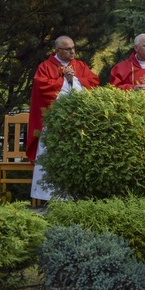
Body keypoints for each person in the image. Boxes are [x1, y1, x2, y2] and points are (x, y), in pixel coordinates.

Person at [27, 36, 100, 200]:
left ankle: (75, 196)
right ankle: (47, 197)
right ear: (57, 50)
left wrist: (74, 79)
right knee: (50, 155)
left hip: (76, 122)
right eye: (68, 49)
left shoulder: (80, 66)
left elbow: (94, 82)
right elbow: (42, 87)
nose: (72, 51)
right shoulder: (45, 67)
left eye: (73, 48)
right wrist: (63, 80)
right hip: (52, 123)